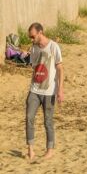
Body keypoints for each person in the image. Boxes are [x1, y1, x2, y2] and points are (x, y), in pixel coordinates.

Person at [25, 22, 63, 161]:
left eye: (32, 36)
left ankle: (50, 150)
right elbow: (34, 67)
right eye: (30, 36)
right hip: (34, 89)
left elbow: (60, 69)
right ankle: (30, 150)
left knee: (48, 121)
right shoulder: (34, 48)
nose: (31, 39)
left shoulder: (54, 47)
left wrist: (60, 90)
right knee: (29, 118)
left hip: (49, 91)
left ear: (40, 32)